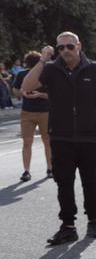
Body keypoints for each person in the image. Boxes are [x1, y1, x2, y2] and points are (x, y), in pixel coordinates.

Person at [20, 33, 96, 244]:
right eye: (60, 47)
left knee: (90, 181)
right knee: (63, 183)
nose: (65, 51)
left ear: (78, 46)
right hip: (61, 137)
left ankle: (93, 221)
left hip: (90, 137)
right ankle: (68, 226)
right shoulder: (50, 69)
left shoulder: (93, 68)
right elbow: (27, 87)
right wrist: (43, 59)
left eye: (69, 46)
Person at [11, 50, 53, 181]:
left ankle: (50, 168)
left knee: (47, 142)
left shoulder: (46, 75)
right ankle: (26, 171)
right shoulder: (22, 74)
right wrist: (22, 93)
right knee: (27, 142)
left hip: (45, 112)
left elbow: (54, 95)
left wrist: (40, 95)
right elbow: (15, 91)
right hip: (27, 112)